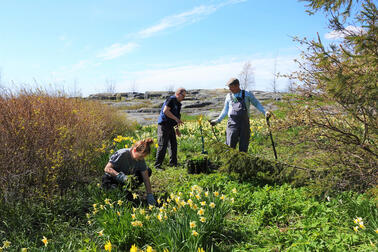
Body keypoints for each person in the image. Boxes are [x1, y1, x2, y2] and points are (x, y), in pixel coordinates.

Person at [210, 78, 271, 152]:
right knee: (230, 147)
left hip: (244, 124)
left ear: (237, 85)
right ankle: (230, 162)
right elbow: (225, 110)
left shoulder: (247, 94)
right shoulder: (228, 96)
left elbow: (256, 103)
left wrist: (265, 112)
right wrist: (217, 120)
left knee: (243, 146)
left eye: (231, 87)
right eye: (229, 87)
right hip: (232, 124)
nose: (229, 89)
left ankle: (243, 162)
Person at [102, 138, 157, 205]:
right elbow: (107, 168)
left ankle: (127, 190)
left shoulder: (140, 160)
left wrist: (149, 194)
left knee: (148, 171)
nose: (141, 159)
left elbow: (146, 178)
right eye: (140, 156)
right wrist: (120, 176)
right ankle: (119, 190)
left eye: (143, 157)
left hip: (125, 181)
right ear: (134, 150)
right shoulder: (122, 154)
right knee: (120, 196)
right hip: (112, 179)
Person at [155, 88, 186, 169]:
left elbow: (177, 117)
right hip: (163, 125)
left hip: (171, 126)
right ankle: (157, 165)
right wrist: (176, 119)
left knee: (173, 145)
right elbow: (166, 111)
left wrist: (177, 129)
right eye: (183, 96)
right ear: (178, 94)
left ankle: (173, 164)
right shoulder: (171, 99)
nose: (184, 98)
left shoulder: (179, 104)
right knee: (162, 145)